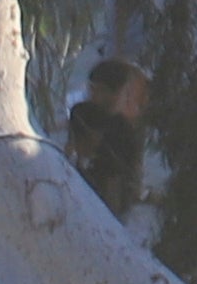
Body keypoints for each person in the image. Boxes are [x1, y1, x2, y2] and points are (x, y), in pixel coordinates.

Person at [59, 56, 150, 216]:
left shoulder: (125, 126)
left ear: (116, 93)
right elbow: (73, 150)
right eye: (91, 89)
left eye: (100, 91)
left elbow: (128, 169)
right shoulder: (81, 113)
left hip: (114, 190)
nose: (93, 95)